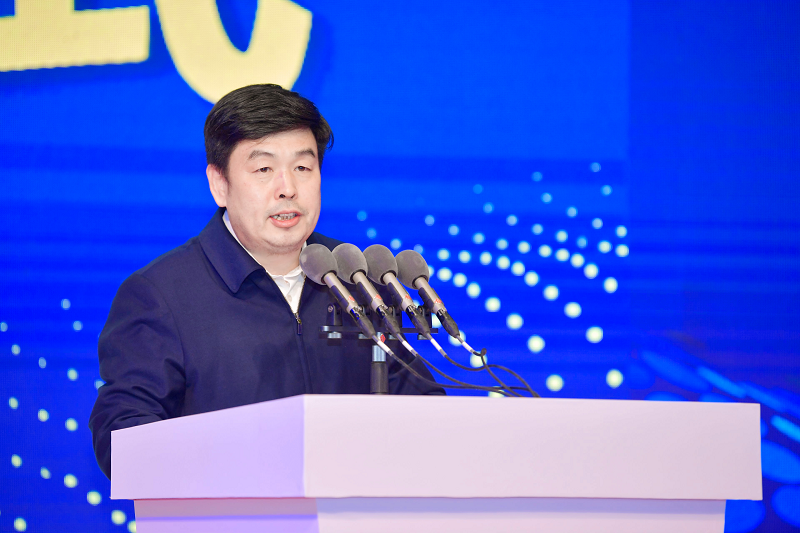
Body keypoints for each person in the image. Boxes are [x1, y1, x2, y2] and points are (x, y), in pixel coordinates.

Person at [89, 84, 443, 480]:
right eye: (263, 170)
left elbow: (420, 406)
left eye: (303, 168)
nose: (287, 188)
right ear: (219, 184)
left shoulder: (355, 275)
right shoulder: (161, 295)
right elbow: (123, 435)